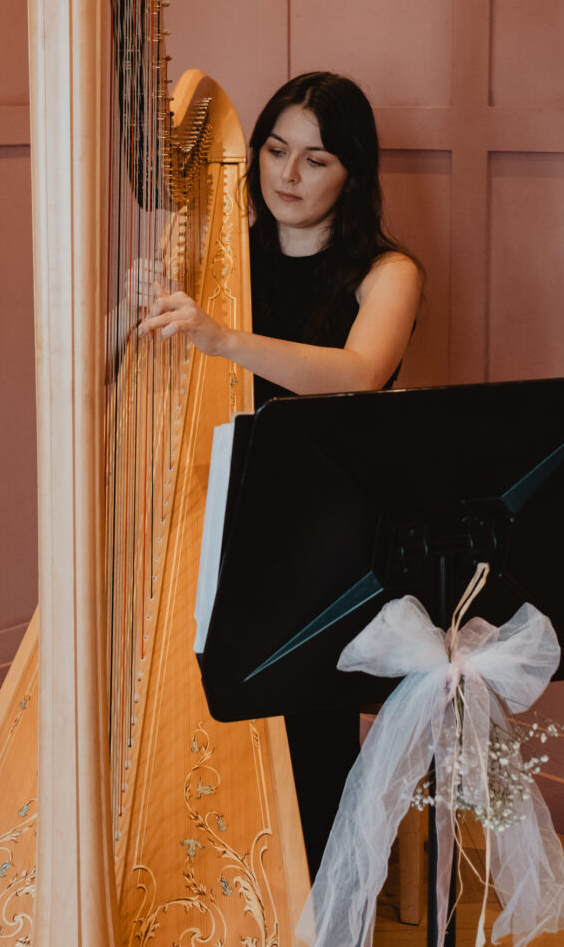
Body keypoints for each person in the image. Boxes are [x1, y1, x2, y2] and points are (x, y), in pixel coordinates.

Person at [138, 70, 423, 874]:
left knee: (295, 625)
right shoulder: (216, 257)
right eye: (274, 149)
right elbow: (143, 382)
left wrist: (222, 337)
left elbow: (360, 372)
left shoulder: (387, 273)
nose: (287, 176)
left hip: (340, 528)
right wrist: (135, 318)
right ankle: (207, 856)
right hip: (231, 505)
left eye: (317, 159)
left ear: (353, 173)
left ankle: (317, 884)